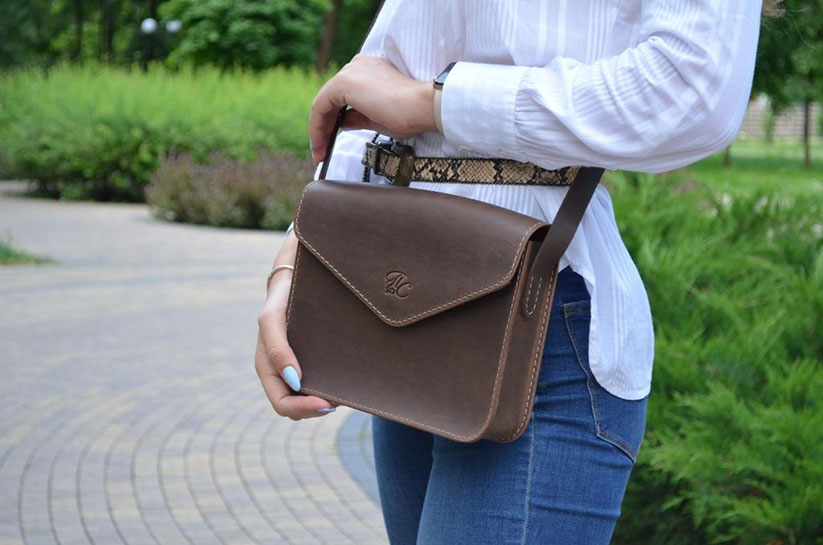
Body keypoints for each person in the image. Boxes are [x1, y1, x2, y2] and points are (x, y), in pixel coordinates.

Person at [255, 1, 764, 543]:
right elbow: (372, 91)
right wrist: (295, 262)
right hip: (397, 321)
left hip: (539, 334)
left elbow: (692, 87)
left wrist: (434, 103)